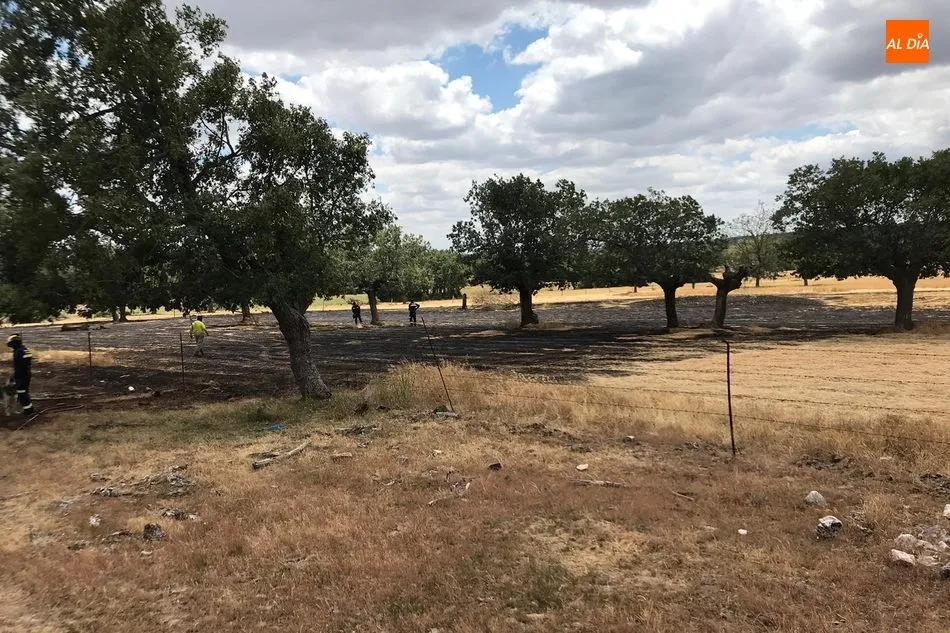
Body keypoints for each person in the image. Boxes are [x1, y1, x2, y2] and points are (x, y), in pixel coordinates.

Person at [6, 334, 33, 416]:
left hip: (21, 375)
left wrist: (14, 377)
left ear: (14, 343)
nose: (11, 346)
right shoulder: (25, 349)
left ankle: (28, 411)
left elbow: (18, 366)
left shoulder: (18, 352)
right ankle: (29, 408)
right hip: (27, 373)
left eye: (11, 344)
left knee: (21, 393)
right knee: (25, 391)